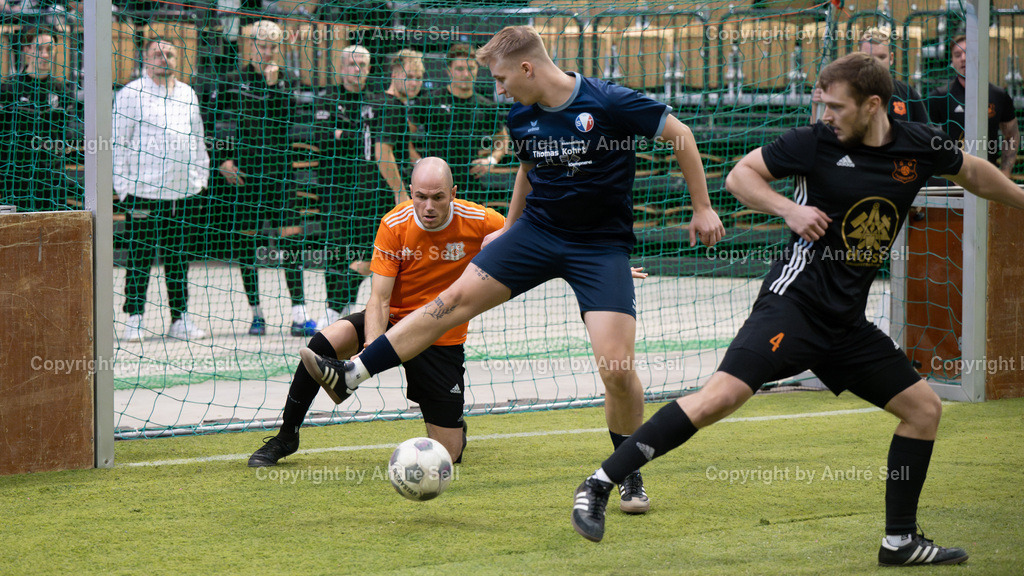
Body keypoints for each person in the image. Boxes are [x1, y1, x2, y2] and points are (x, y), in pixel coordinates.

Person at [569, 52, 1024, 566]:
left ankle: (899, 540)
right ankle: (599, 484)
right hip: (794, 305)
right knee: (718, 399)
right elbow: (740, 177)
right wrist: (789, 208)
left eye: (834, 105)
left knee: (923, 411)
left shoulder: (919, 144)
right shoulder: (813, 143)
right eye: (820, 104)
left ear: (873, 105)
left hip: (846, 324)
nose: (825, 115)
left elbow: (976, 174)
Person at [299, 25, 725, 514]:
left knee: (617, 369)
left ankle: (626, 472)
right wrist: (512, 228)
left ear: (527, 68)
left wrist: (702, 208)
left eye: (501, 78)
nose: (498, 89)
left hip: (599, 247)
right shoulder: (520, 113)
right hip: (537, 234)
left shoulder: (607, 101)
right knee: (450, 302)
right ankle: (351, 373)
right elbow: (528, 166)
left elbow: (681, 135)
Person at [248, 157, 505, 466]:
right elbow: (380, 298)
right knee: (321, 344)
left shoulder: (481, 220)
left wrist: (504, 239)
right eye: (420, 197)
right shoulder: (395, 223)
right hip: (395, 321)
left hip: (441, 336)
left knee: (450, 454)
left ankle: (453, 421)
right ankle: (286, 436)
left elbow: (522, 231)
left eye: (438, 197)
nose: (429, 206)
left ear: (454, 192)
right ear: (410, 192)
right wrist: (372, 350)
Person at [206, 20, 315, 336]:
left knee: (290, 240)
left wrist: (273, 86)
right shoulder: (230, 80)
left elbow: (290, 122)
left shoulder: (288, 80)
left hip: (280, 174)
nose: (267, 51)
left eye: (272, 46)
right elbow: (214, 123)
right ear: (250, 45)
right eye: (262, 45)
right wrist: (222, 160)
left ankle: (299, 314)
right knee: (247, 243)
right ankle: (256, 314)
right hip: (244, 175)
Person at [113, 37, 210, 341]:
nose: (164, 58)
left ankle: (179, 320)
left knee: (179, 258)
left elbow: (197, 140)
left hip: (182, 193)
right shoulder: (131, 93)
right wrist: (122, 187)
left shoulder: (188, 93)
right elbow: (118, 142)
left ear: (177, 59)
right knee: (140, 257)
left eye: (169, 53)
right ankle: (135, 318)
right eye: (157, 53)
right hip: (143, 192)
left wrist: (200, 178)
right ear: (146, 58)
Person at [312, 45, 386, 329]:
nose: (358, 70)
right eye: (353, 64)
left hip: (369, 191)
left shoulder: (377, 100)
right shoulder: (327, 97)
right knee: (336, 251)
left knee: (363, 256)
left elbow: (369, 141)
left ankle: (342, 309)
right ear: (341, 67)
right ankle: (334, 311)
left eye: (364, 65)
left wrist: (344, 133)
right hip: (335, 189)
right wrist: (352, 135)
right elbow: (321, 137)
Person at [410, 43, 510, 206]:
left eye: (471, 68)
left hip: (470, 185)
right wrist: (418, 163)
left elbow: (502, 140)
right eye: (460, 69)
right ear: (449, 70)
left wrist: (492, 160)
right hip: (433, 185)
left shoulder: (486, 105)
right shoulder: (429, 101)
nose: (466, 74)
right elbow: (403, 138)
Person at [0, 27, 78, 212]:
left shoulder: (62, 91)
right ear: (26, 50)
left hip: (51, 177)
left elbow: (66, 134)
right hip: (16, 177)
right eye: (39, 48)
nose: (44, 55)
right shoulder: (8, 89)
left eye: (49, 50)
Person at [928, 34, 1019, 178]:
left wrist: (1005, 171)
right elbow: (926, 138)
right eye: (957, 55)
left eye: (968, 53)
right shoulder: (940, 96)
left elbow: (1011, 135)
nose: (963, 58)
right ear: (952, 60)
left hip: (987, 178)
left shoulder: (998, 95)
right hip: (950, 181)